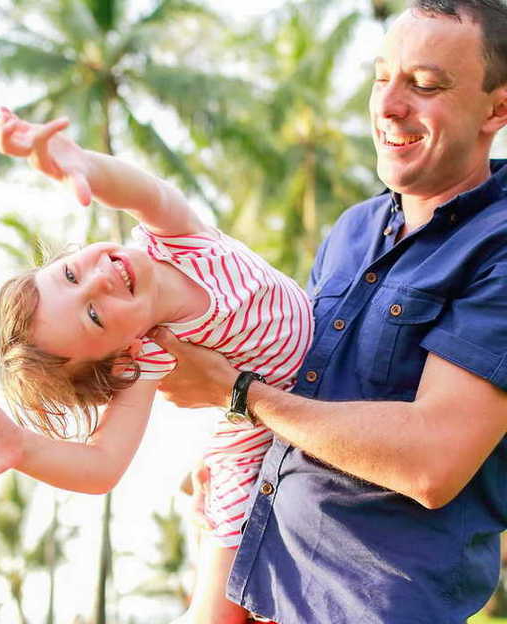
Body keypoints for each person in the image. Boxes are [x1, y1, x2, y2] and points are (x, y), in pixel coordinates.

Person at [148, 0, 507, 621]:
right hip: (255, 587)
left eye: (425, 84)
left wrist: (237, 392)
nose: (389, 105)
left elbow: (433, 462)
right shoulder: (353, 229)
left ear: (497, 109)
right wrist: (231, 458)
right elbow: (300, 386)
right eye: (381, 77)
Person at [0, 109, 313, 623]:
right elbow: (103, 466)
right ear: (122, 355)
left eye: (71, 273)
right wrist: (21, 447)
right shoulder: (151, 352)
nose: (99, 281)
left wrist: (80, 164)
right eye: (94, 316)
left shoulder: (173, 241)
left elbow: (148, 192)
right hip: (251, 449)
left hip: (298, 382)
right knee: (215, 614)